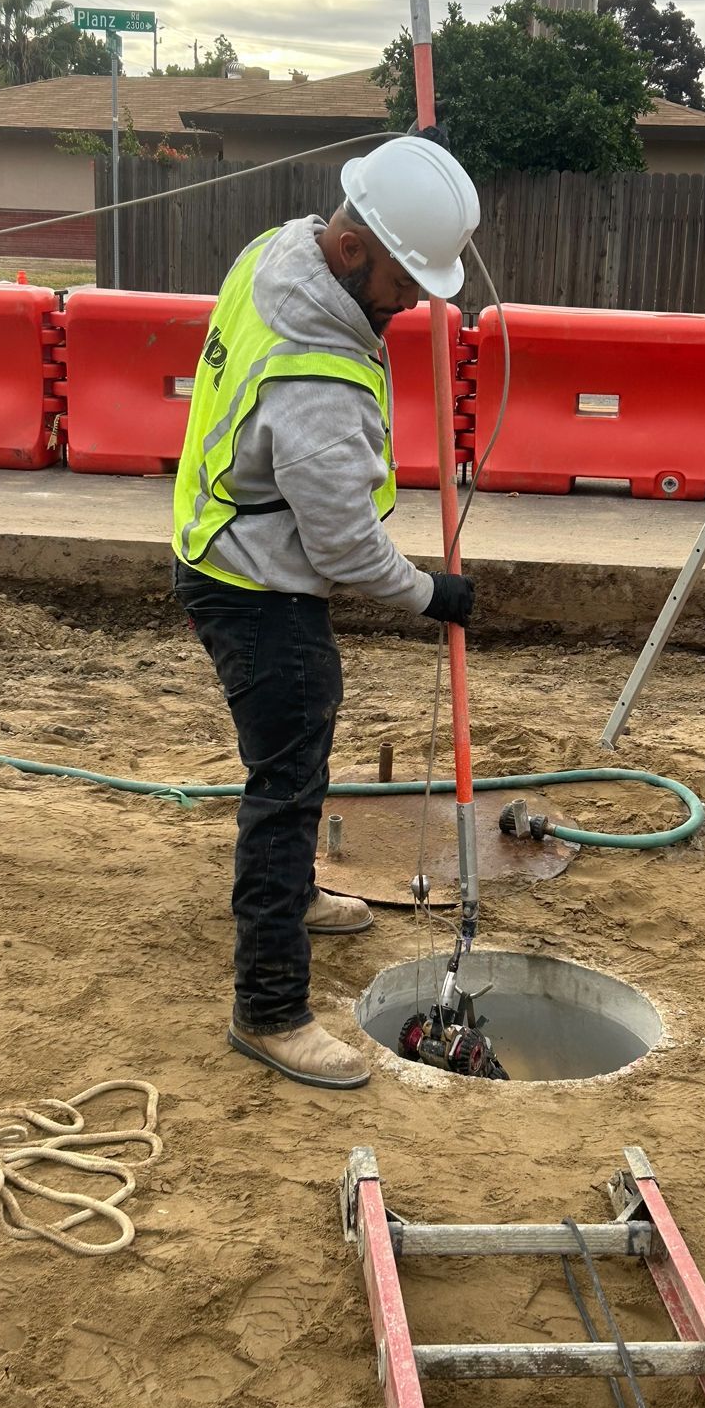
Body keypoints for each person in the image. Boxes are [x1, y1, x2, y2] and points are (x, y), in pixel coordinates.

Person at [171, 135, 481, 1091]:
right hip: (256, 586)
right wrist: (432, 594)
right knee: (289, 781)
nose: (407, 304)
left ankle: (292, 895)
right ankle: (268, 1007)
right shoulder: (314, 372)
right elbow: (345, 547)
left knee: (291, 759)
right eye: (402, 281)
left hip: (222, 541)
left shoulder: (280, 248)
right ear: (353, 250)